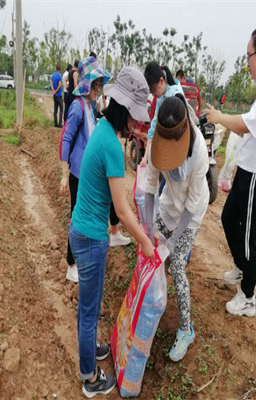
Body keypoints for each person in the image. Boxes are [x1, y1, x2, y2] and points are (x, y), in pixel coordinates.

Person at [69, 66, 155, 397]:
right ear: (122, 108)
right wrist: (145, 240)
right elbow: (121, 210)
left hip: (82, 230)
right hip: (91, 239)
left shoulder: (104, 132)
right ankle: (90, 379)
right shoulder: (112, 149)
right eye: (134, 116)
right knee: (89, 311)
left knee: (88, 307)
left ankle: (92, 349)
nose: (137, 123)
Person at [203, 22, 256, 318]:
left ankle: (247, 297)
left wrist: (220, 117)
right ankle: (240, 267)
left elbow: (246, 125)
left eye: (247, 56)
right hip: (249, 169)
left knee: (248, 233)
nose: (246, 63)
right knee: (228, 216)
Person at [144, 95, 209, 361]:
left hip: (191, 213)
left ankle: (186, 329)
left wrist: (172, 244)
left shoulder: (200, 151)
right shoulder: (154, 146)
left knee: (177, 265)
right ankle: (151, 303)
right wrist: (148, 228)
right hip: (170, 202)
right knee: (151, 250)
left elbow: (192, 205)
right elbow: (150, 187)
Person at [60, 56, 112, 283]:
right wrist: (64, 175)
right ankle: (71, 264)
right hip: (77, 175)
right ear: (85, 83)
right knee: (76, 217)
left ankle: (81, 259)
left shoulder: (91, 107)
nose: (97, 89)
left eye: (100, 85)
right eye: (94, 84)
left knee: (84, 218)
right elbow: (66, 139)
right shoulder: (78, 107)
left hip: (89, 175)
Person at [141, 62, 184, 167]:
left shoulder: (176, 96)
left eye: (153, 90)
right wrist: (146, 156)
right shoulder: (162, 96)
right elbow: (154, 123)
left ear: (161, 81)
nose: (153, 94)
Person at [51, 63, 63, 128]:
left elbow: (51, 84)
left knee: (55, 109)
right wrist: (56, 91)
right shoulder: (59, 75)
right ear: (60, 69)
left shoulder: (53, 75)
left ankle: (55, 123)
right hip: (59, 94)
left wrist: (53, 91)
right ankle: (60, 124)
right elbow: (60, 84)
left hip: (54, 95)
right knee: (61, 109)